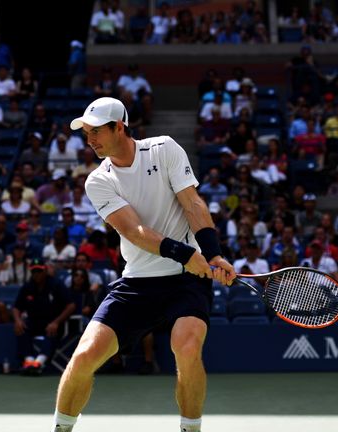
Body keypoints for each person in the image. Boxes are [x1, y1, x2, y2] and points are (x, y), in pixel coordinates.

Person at [52, 97, 234, 432]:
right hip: (138, 282)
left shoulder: (164, 149)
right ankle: (61, 428)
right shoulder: (98, 180)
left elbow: (192, 203)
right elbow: (133, 231)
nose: (90, 139)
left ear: (118, 127)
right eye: (86, 133)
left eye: (96, 132)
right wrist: (185, 254)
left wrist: (212, 253)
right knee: (83, 357)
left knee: (188, 345)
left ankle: (190, 429)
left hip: (186, 282)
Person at [14, 258, 75, 374]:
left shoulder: (56, 284)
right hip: (33, 321)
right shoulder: (27, 287)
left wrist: (56, 322)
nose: (36, 274)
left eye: (39, 271)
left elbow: (71, 306)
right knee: (22, 328)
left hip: (53, 322)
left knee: (51, 331)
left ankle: (39, 363)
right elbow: (17, 307)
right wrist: (17, 320)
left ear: (45, 271)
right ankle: (29, 361)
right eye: (34, 271)